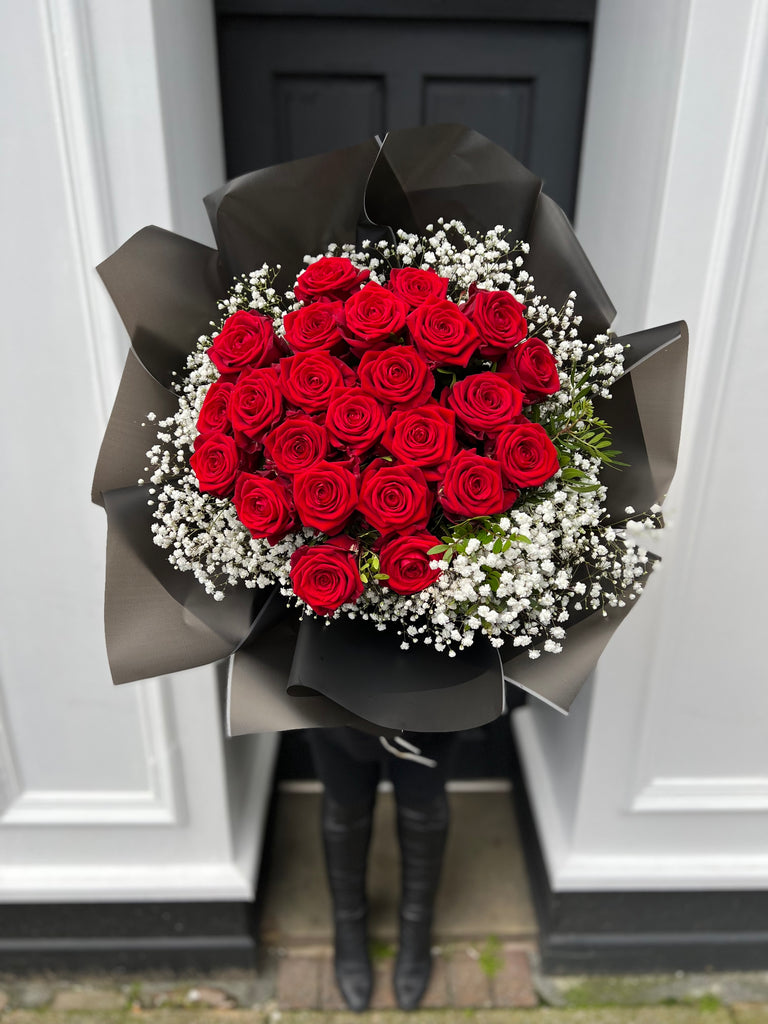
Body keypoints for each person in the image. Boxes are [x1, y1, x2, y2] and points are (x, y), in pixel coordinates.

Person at [307, 727, 458, 1012]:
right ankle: (348, 920)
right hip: (334, 697)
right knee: (345, 801)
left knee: (424, 802)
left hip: (433, 699)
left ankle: (417, 923)